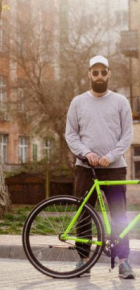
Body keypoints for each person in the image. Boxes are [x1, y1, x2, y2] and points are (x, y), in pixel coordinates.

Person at [65, 55, 135, 279]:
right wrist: (87, 153)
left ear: (108, 74)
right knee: (84, 214)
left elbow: (127, 135)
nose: (99, 76)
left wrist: (111, 155)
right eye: (95, 72)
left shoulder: (120, 102)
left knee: (119, 215)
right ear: (89, 74)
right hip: (86, 168)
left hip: (115, 168)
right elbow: (71, 134)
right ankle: (83, 261)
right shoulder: (78, 102)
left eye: (103, 72)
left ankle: (124, 262)